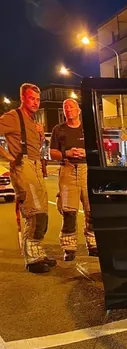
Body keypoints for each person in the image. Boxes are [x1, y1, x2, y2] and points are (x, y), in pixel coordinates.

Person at [0, 83, 56, 273]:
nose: (35, 102)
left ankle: (37, 251)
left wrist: (40, 135)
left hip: (36, 167)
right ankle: (32, 258)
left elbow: (35, 148)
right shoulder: (13, 117)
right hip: (23, 167)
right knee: (34, 212)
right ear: (23, 98)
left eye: (38, 99)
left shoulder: (33, 122)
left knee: (43, 213)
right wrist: (8, 157)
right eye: (32, 98)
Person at [49, 98, 97, 261]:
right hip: (67, 169)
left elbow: (99, 148)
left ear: (78, 110)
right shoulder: (58, 130)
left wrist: (86, 152)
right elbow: (52, 153)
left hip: (87, 170)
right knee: (69, 211)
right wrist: (66, 154)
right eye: (65, 107)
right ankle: (69, 248)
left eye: (71, 106)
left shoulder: (89, 129)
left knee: (91, 210)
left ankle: (93, 243)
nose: (68, 109)